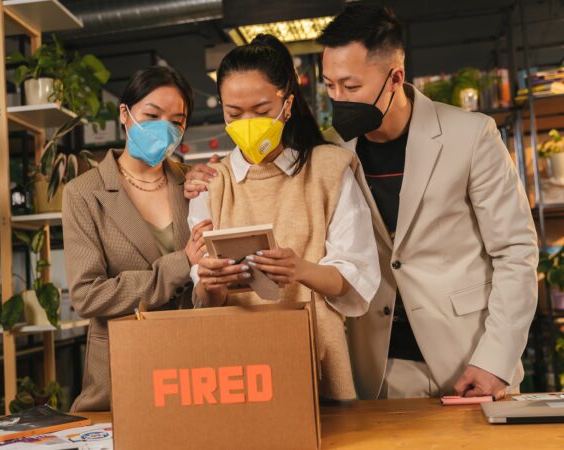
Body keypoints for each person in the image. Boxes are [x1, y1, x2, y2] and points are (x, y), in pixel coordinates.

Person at [185, 4, 538, 400]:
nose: (339, 98)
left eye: (350, 88)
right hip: (375, 364)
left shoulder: (470, 135)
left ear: (395, 78)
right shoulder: (331, 151)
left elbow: (515, 253)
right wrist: (203, 177)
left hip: (468, 356)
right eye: (330, 86)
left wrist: (495, 359)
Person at [187, 34, 380, 401]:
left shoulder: (328, 169)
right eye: (233, 113)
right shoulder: (212, 183)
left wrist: (300, 270)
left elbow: (357, 278)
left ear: (287, 103)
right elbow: (206, 300)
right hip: (235, 367)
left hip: (315, 352)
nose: (247, 123)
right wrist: (210, 282)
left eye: (260, 111)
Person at [62, 66, 211, 411]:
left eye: (177, 120)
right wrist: (180, 263)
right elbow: (87, 295)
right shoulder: (84, 193)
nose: (165, 128)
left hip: (195, 368)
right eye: (153, 114)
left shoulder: (193, 184)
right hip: (122, 372)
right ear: (125, 114)